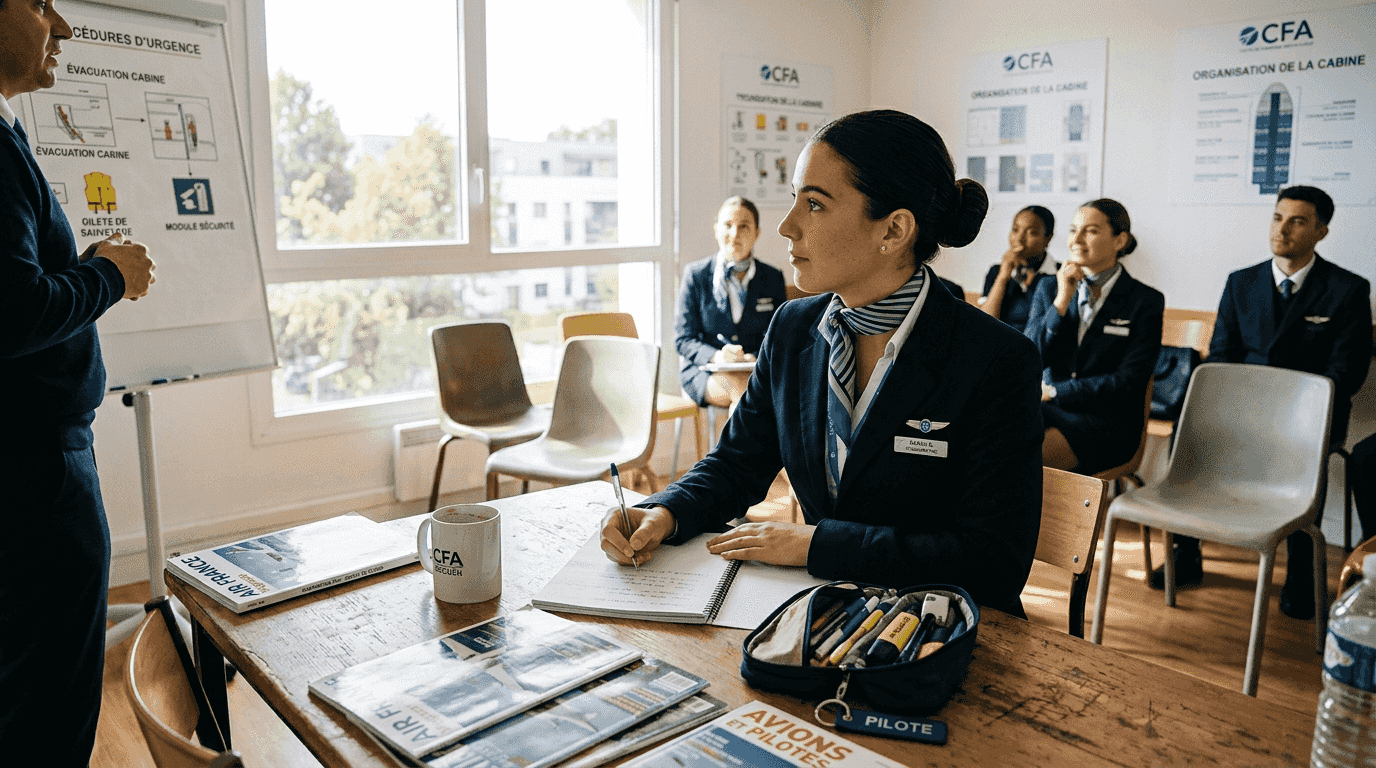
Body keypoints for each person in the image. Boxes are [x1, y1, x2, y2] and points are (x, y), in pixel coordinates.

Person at [602, 110, 1044, 618]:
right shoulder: (792, 329)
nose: (787, 226)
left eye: (814, 204)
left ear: (894, 229)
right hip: (823, 613)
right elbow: (737, 463)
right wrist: (665, 511)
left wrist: (814, 545)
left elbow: (993, 562)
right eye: (795, 198)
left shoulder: (996, 359)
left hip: (941, 633)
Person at [0, 1, 157, 763]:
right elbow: (12, 311)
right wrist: (108, 274)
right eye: (37, 3)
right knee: (51, 706)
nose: (61, 26)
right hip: (35, 475)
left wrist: (80, 270)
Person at [1159, 186, 1371, 618]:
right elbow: (1221, 357)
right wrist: (1242, 409)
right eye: (1278, 217)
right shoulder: (1242, 282)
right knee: (1188, 429)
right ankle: (1186, 551)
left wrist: (1287, 411)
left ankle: (1301, 574)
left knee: (1304, 456)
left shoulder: (1348, 289)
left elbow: (1346, 373)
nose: (1282, 229)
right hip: (1241, 412)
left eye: (1297, 221)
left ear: (1321, 230)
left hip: (1312, 420)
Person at [1024, 199, 1163, 475]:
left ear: (1119, 240)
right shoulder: (1049, 287)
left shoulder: (1145, 300)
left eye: (1090, 231)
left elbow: (1130, 381)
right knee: (991, 439)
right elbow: (1030, 358)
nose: (1076, 239)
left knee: (1022, 459)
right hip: (1050, 411)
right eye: (1073, 229)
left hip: (1107, 423)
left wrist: (1055, 391)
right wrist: (1061, 301)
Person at [673, 196, 788, 409]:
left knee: (753, 390)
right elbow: (683, 339)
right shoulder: (696, 275)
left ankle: (729, 444)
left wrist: (753, 357)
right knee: (744, 392)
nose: (734, 234)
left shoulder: (772, 277)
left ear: (757, 233)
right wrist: (717, 356)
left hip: (756, 369)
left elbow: (777, 336)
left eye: (744, 226)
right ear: (717, 229)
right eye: (728, 225)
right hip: (704, 371)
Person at [979, 206, 1058, 333]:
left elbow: (1052, 328)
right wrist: (1003, 277)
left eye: (1032, 232)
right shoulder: (996, 271)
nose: (1019, 239)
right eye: (1015, 230)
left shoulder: (1060, 275)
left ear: (1048, 238)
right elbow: (984, 323)